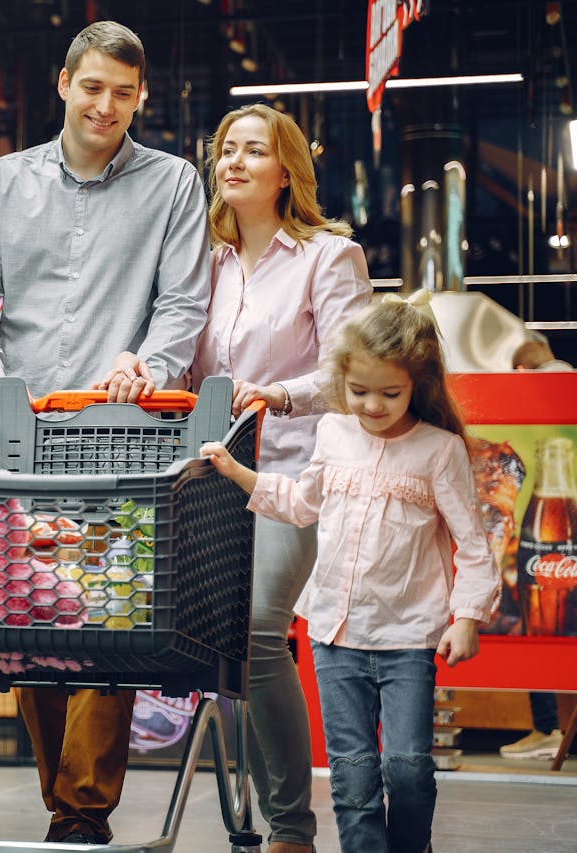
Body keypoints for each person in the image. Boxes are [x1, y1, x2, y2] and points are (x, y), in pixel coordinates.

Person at [0, 20, 210, 845]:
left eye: (124, 94)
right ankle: (69, 800)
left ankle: (82, 809)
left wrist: (150, 361)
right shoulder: (3, 182)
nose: (107, 106)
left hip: (125, 432)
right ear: (64, 84)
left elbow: (183, 302)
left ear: (140, 98)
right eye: (93, 87)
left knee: (108, 613)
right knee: (32, 618)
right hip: (22, 436)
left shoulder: (172, 184)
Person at [200, 296, 501, 853]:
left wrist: (467, 617)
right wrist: (239, 472)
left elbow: (473, 545)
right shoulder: (334, 433)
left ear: (419, 383)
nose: (372, 405)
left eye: (390, 393)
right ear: (343, 379)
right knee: (354, 775)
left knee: (407, 767)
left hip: (409, 635)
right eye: (359, 391)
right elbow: (299, 503)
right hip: (335, 635)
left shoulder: (440, 451)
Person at [184, 102, 372, 853]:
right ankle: (259, 819)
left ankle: (291, 826)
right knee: (224, 644)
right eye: (226, 149)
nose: (233, 161)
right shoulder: (205, 261)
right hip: (210, 477)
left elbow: (352, 369)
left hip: (297, 470)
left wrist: (282, 393)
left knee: (260, 630)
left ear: (286, 170)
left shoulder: (329, 255)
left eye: (252, 151)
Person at [499, 335, 571, 759]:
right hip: (566, 521)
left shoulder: (533, 395)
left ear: (520, 374)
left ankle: (547, 726)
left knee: (538, 613)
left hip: (547, 526)